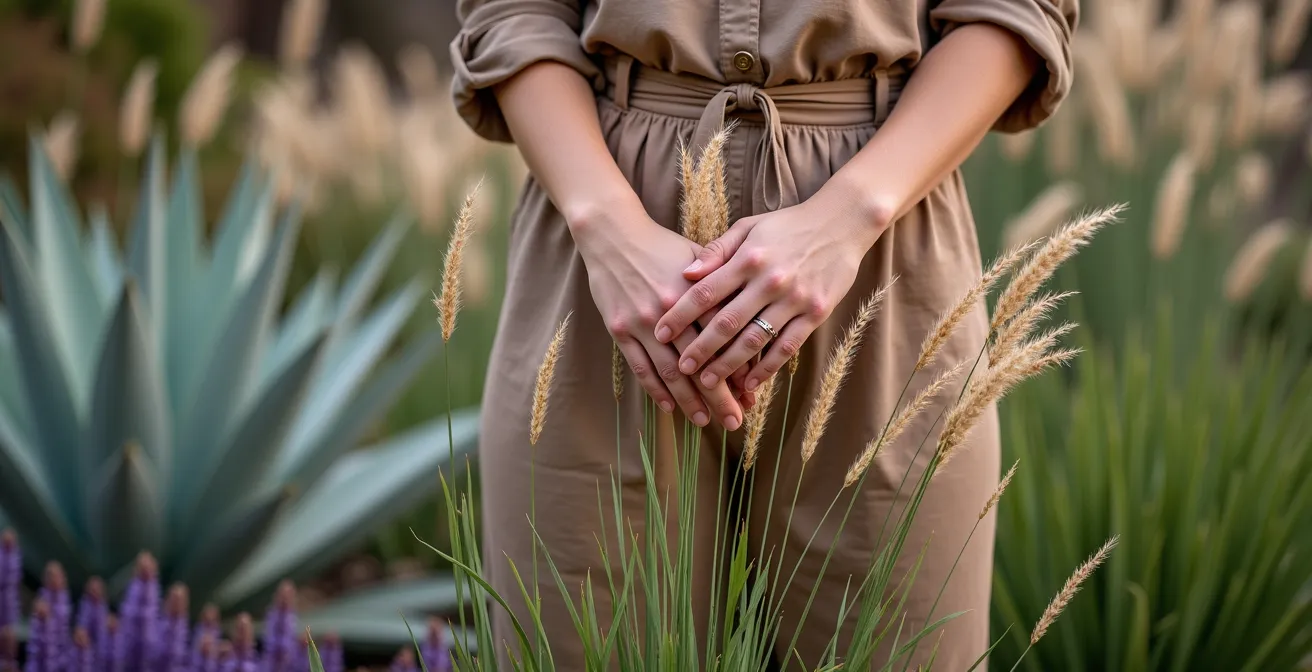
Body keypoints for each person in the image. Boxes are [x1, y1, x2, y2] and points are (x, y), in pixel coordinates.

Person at [449, 0, 1078, 668]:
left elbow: (1018, 10)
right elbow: (511, 11)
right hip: (608, 276)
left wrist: (848, 217)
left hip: (885, 268)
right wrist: (605, 228)